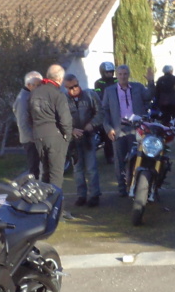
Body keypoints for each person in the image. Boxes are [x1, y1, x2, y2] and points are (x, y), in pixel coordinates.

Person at [102, 64, 153, 197]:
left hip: (136, 129)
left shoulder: (138, 87)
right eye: (120, 74)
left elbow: (149, 96)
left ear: (128, 75)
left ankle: (136, 186)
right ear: (116, 75)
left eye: (125, 74)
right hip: (118, 129)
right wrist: (108, 128)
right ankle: (121, 188)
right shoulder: (109, 91)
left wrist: (151, 82)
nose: (123, 77)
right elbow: (105, 111)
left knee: (137, 158)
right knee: (119, 160)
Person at [29, 64, 72, 188]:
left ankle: (45, 204)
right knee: (56, 175)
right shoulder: (57, 94)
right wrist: (67, 136)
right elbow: (65, 120)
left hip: (38, 135)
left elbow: (29, 115)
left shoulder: (34, 93)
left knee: (46, 173)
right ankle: (55, 205)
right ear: (59, 79)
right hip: (54, 136)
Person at [63, 73, 103, 207]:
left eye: (75, 86)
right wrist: (71, 130)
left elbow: (100, 112)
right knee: (77, 169)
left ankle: (94, 195)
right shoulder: (62, 100)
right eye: (70, 87)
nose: (74, 89)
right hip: (73, 139)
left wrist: (92, 124)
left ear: (78, 83)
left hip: (88, 136)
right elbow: (58, 120)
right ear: (65, 87)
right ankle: (81, 195)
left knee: (91, 167)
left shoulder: (90, 95)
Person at [13, 70, 43, 178]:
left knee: (38, 169)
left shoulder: (29, 96)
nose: (41, 87)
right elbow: (23, 123)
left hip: (34, 138)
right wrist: (35, 139)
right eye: (38, 85)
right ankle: (34, 192)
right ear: (29, 85)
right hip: (31, 140)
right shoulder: (23, 99)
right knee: (34, 170)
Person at [93, 61, 117, 164]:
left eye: (111, 72)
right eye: (107, 72)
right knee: (107, 134)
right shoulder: (99, 82)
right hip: (105, 110)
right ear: (102, 72)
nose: (109, 74)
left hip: (117, 109)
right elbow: (99, 95)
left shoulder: (116, 80)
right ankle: (109, 156)